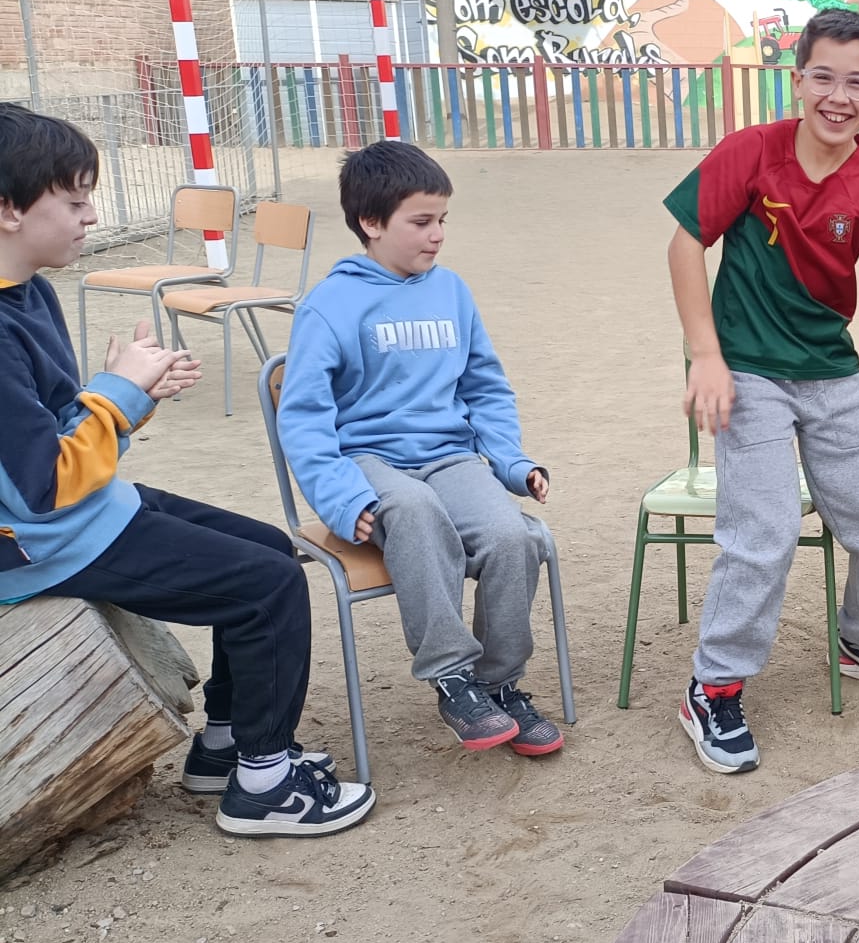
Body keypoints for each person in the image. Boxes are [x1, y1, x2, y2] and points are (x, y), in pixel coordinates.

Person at [0, 103, 373, 837]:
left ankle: (226, 746)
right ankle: (264, 786)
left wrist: (126, 396)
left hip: (87, 510)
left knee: (270, 550)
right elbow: (43, 489)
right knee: (267, 588)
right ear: (9, 208)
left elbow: (67, 430)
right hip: (40, 544)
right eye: (73, 201)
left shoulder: (31, 291)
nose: (91, 216)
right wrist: (118, 395)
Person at [664, 7, 859, 773]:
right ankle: (713, 686)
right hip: (748, 371)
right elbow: (685, 244)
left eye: (857, 83)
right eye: (823, 77)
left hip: (830, 373)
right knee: (765, 530)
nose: (837, 96)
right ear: (797, 81)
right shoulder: (751, 152)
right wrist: (706, 355)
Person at [280, 140, 563, 758]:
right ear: (371, 222)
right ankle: (452, 678)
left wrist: (512, 462)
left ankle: (499, 684)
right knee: (413, 509)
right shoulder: (328, 306)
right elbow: (303, 418)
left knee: (513, 536)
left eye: (442, 220)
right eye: (421, 222)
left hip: (450, 457)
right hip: (368, 462)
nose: (437, 235)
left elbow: (485, 387)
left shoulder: (452, 291)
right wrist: (341, 496)